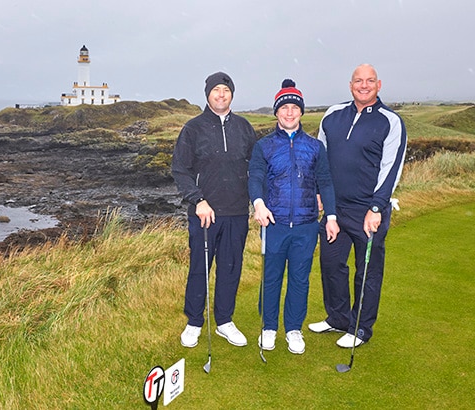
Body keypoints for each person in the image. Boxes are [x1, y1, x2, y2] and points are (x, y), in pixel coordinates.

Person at [308, 64, 407, 348]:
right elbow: (321, 160)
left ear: (379, 85)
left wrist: (376, 208)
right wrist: (320, 193)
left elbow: (391, 168)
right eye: (358, 81)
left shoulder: (390, 121)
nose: (364, 85)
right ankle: (338, 318)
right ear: (351, 85)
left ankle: (360, 328)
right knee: (331, 265)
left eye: (370, 81)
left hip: (368, 211)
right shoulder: (332, 114)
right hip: (335, 210)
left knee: (367, 272)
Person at [248, 79, 340, 354]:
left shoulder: (315, 147)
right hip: (273, 224)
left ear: (301, 112)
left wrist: (331, 216)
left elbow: (325, 181)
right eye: (284, 108)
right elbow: (255, 177)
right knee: (271, 278)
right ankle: (269, 327)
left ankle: (293, 329)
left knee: (299, 279)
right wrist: (258, 204)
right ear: (276, 112)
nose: (289, 112)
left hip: (306, 225)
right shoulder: (263, 146)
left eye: (294, 107)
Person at [171, 72, 257, 348]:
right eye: (216, 90)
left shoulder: (244, 127)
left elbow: (256, 168)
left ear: (232, 94)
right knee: (200, 268)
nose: (221, 94)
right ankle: (194, 321)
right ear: (208, 94)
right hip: (204, 213)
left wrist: (258, 202)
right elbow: (180, 169)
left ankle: (224, 321)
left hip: (237, 212)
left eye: (226, 90)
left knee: (231, 269)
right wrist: (198, 200)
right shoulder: (193, 128)